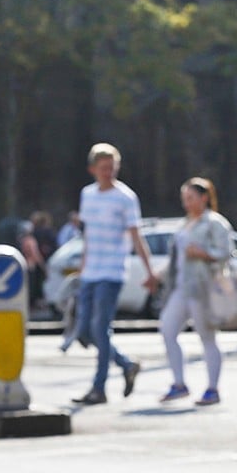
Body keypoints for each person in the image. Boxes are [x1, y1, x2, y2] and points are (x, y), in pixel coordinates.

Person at [71, 143, 158, 405]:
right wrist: (83, 265)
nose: (109, 172)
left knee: (100, 328)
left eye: (113, 168)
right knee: (84, 332)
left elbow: (136, 236)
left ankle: (99, 388)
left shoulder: (125, 197)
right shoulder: (87, 195)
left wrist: (150, 272)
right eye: (104, 168)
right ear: (93, 169)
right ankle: (126, 364)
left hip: (111, 271)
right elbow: (88, 234)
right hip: (90, 271)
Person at [157, 177, 233, 406]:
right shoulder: (184, 223)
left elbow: (226, 252)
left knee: (207, 337)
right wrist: (156, 276)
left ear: (204, 198)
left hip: (203, 287)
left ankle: (212, 388)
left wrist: (202, 252)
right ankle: (179, 383)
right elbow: (176, 258)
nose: (186, 203)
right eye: (184, 199)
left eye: (190, 198)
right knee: (167, 329)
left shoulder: (215, 223)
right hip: (181, 287)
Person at [17, 219, 46, 308]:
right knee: (32, 287)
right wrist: (43, 266)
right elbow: (35, 254)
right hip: (31, 265)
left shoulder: (20, 239)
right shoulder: (30, 240)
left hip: (23, 265)